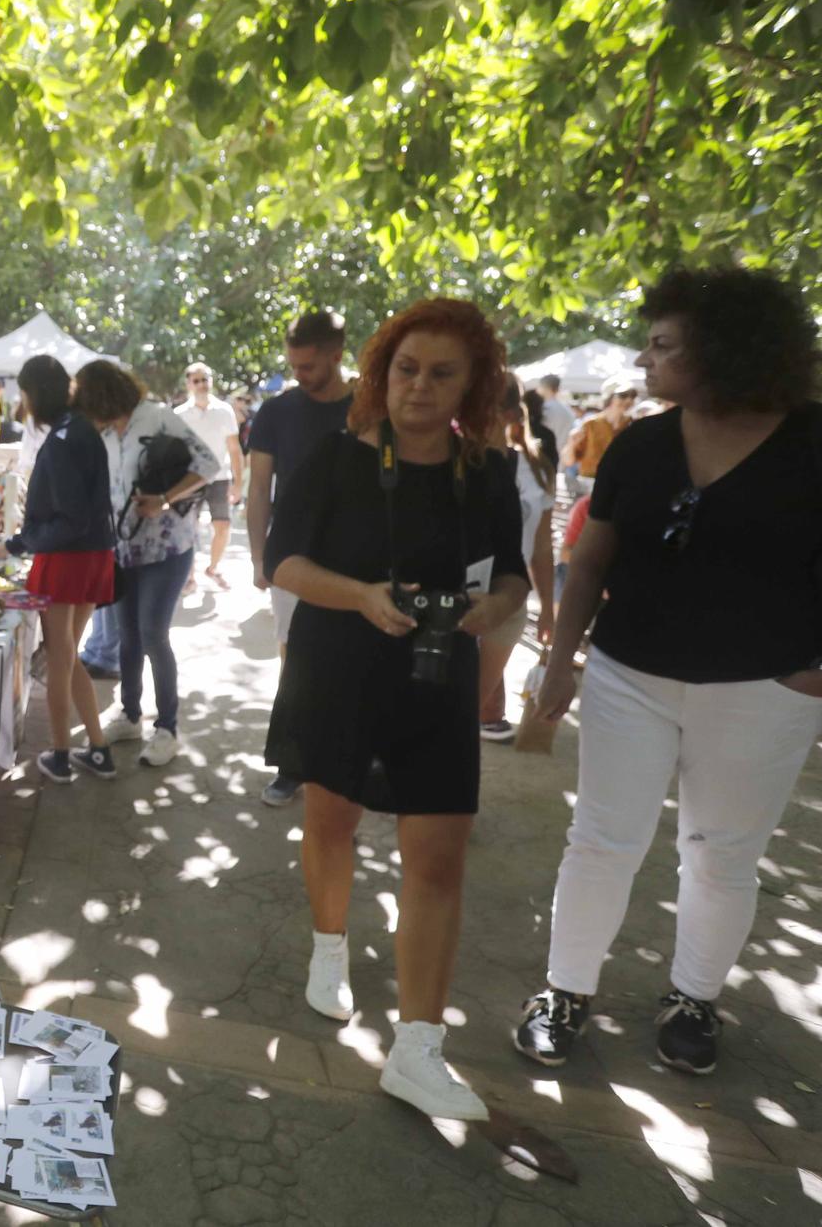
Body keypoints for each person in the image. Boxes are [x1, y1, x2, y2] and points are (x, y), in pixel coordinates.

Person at [517, 267, 822, 1077]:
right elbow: (589, 562)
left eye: (663, 344)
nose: (644, 358)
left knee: (721, 854)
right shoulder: (644, 444)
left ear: (726, 350)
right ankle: (565, 992)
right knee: (601, 841)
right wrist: (561, 664)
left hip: (765, 689)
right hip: (631, 676)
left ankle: (693, 999)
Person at [265, 298, 529, 1122]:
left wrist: (495, 609)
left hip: (437, 671)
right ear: (383, 371)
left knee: (440, 855)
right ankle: (330, 949)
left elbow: (515, 575)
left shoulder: (488, 472)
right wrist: (361, 596)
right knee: (331, 822)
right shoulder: (337, 459)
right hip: (337, 666)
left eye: (442, 372)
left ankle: (418, 1049)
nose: (420, 386)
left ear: (473, 384)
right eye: (407, 368)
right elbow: (283, 563)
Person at [74, 361, 214, 765]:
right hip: (123, 548)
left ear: (102, 396)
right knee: (127, 635)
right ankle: (130, 715)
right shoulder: (102, 433)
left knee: (153, 633)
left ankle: (167, 727)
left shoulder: (157, 417)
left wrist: (165, 499)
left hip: (168, 548)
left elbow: (208, 465)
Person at [0, 355, 118, 783]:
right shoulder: (78, 430)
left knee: (61, 656)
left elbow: (68, 516)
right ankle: (96, 749)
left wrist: (18, 544)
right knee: (69, 654)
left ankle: (62, 754)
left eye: (23, 394)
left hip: (68, 557)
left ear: (34, 393)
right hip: (89, 553)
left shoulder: (63, 438)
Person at [246, 310, 355, 806]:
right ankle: (293, 763)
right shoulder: (276, 412)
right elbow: (258, 490)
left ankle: (343, 772)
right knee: (296, 664)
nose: (300, 375)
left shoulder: (368, 408)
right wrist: (258, 558)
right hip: (292, 559)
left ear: (337, 354)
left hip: (358, 557)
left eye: (310, 366)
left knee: (350, 667)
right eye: (294, 365)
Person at [476, 375, 558, 742]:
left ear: (510, 414)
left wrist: (549, 610)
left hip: (509, 598)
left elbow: (541, 547)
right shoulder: (451, 457)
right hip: (457, 596)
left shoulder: (535, 468)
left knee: (466, 705)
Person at [174, 362, 245, 587]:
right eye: (196, 380)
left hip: (220, 477)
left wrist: (238, 483)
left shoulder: (224, 411)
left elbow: (235, 449)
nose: (202, 384)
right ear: (189, 384)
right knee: (187, 529)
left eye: (205, 379)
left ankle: (213, 568)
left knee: (223, 526)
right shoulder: (179, 414)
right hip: (189, 479)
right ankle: (189, 575)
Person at [562, 377, 638, 483]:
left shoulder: (634, 425)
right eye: (623, 395)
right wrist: (571, 443)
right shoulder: (590, 424)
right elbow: (568, 462)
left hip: (622, 483)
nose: (629, 400)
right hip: (591, 483)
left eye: (633, 395)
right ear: (609, 397)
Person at [536, 374, 576, 447]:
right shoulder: (569, 411)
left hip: (546, 455)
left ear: (543, 388)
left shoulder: (542, 410)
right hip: (563, 455)